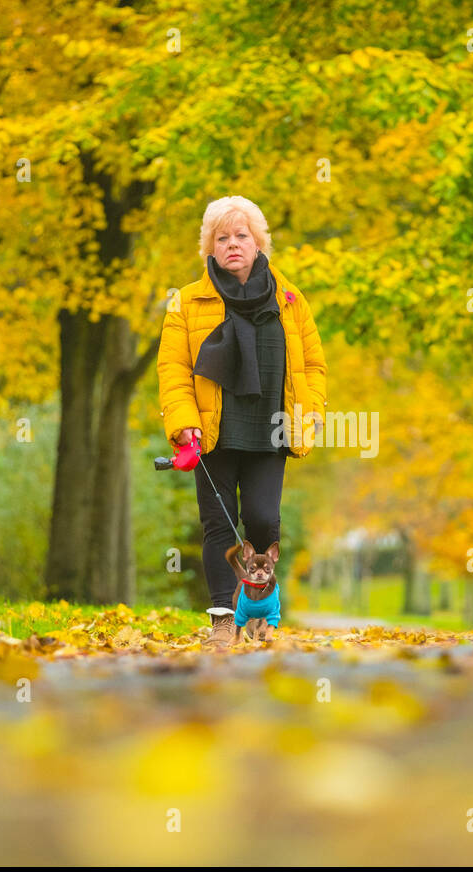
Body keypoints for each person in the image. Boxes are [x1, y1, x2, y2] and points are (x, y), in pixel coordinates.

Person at [156, 196, 328, 645]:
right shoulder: (187, 302)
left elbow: (313, 366)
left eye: (242, 235)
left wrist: (308, 415)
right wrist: (184, 423)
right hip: (212, 431)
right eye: (222, 237)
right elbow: (172, 369)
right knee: (219, 525)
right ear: (210, 249)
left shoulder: (291, 300)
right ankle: (221, 624)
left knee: (263, 520)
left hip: (271, 429)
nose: (233, 244)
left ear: (258, 242)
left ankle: (261, 618)